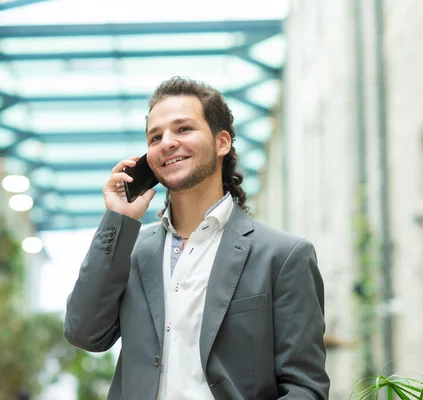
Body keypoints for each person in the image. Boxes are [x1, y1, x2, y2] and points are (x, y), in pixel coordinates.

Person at [64, 77, 330, 399]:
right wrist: (118, 220)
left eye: (183, 129)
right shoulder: (131, 253)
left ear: (222, 143)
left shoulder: (283, 256)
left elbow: (305, 388)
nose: (167, 142)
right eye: (155, 136)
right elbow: (84, 333)